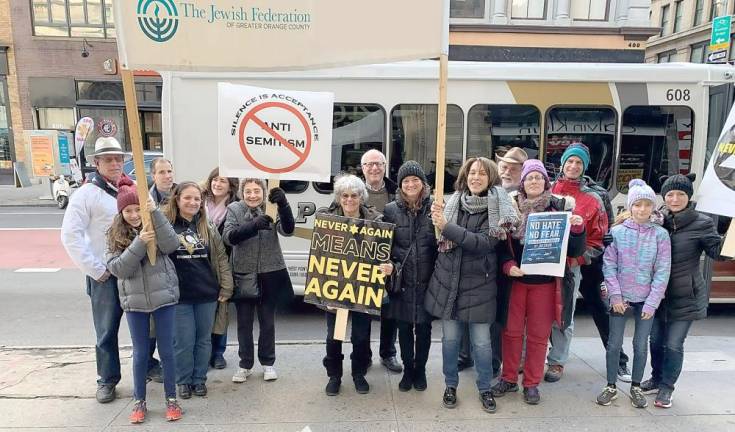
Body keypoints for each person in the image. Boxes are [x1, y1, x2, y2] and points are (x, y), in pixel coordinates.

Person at [424, 157, 519, 414]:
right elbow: (437, 241)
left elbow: (482, 244)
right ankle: (450, 384)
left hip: (480, 287)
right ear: (465, 177)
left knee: (482, 343)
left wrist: (446, 227)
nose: (476, 177)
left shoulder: (498, 208)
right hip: (449, 283)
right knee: (450, 340)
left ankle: (485, 387)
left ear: (491, 178)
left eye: (481, 173)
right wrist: (436, 220)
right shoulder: (452, 203)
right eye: (471, 173)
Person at [491, 160, 586, 405]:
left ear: (546, 182)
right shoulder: (510, 209)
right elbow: (501, 246)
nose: (534, 181)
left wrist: (577, 229)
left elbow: (574, 250)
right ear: (522, 182)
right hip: (516, 282)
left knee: (538, 336)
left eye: (539, 177)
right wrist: (508, 265)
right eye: (529, 177)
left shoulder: (560, 209)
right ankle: (509, 378)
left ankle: (532, 383)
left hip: (545, 284)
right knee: (510, 333)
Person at [640, 174, 728, 408]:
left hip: (685, 294)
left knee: (674, 344)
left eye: (680, 194)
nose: (675, 198)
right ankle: (656, 378)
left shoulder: (702, 223)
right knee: (655, 340)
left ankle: (667, 387)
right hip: (658, 294)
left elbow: (717, 252)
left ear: (689, 196)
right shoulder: (657, 220)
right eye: (670, 194)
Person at [546, 143, 630, 383]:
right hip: (551, 265)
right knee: (550, 312)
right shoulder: (548, 190)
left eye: (579, 163)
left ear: (585, 167)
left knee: (595, 311)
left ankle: (619, 361)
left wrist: (580, 257)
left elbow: (602, 235)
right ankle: (552, 357)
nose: (573, 166)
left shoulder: (596, 196)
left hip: (584, 265)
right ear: (562, 163)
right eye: (569, 161)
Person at [105, 177, 183, 423]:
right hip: (135, 302)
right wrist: (140, 243)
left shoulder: (154, 221)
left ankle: (172, 399)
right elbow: (118, 268)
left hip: (164, 297)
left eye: (138, 208)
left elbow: (171, 245)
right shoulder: (114, 235)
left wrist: (155, 213)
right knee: (140, 353)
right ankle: (140, 401)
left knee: (167, 350)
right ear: (121, 212)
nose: (134, 214)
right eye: (128, 210)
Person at [61, 137, 126, 403]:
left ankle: (147, 365)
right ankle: (107, 379)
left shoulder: (129, 188)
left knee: (146, 328)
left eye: (118, 159)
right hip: (105, 275)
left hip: (134, 271)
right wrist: (96, 270)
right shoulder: (85, 194)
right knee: (107, 331)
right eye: (108, 159)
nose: (114, 164)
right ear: (96, 163)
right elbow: (70, 236)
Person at [596, 179, 671, 409]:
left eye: (647, 205)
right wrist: (615, 297)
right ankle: (610, 386)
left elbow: (662, 270)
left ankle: (636, 386)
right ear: (630, 207)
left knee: (641, 344)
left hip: (646, 301)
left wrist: (652, 303)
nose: (642, 209)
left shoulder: (660, 235)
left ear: (653, 207)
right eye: (637, 205)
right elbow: (609, 266)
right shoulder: (617, 233)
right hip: (621, 299)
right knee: (614, 344)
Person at [163, 182, 233, 399]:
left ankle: (199, 379)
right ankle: (183, 381)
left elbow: (220, 256)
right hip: (179, 296)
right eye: (188, 198)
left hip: (206, 293)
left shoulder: (206, 225)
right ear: (177, 199)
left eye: (197, 199)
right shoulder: (166, 225)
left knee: (204, 340)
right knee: (183, 341)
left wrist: (227, 286)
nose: (193, 202)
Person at [224, 179, 295, 384]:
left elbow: (288, 230)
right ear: (241, 193)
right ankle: (245, 364)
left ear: (263, 193)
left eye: (257, 191)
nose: (253, 195)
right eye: (248, 191)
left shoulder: (271, 206)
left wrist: (284, 205)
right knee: (244, 323)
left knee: (267, 322)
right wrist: (253, 225)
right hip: (244, 273)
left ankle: (268, 362)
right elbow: (229, 237)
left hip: (270, 271)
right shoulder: (234, 209)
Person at [321, 174, 383, 396]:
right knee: (335, 336)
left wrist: (387, 267)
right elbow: (319, 257)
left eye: (354, 195)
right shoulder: (327, 221)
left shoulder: (376, 223)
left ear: (361, 197)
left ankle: (358, 374)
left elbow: (382, 256)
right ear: (339, 198)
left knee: (360, 336)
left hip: (363, 290)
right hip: (336, 291)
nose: (349, 200)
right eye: (345, 196)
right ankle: (334, 376)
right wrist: (324, 292)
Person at [381, 161, 437, 392]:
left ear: (423, 183)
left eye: (415, 180)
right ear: (401, 185)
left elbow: (440, 246)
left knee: (423, 330)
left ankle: (420, 370)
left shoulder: (435, 207)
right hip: (402, 282)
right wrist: (391, 266)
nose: (411, 184)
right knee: (404, 329)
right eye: (406, 181)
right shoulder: (390, 210)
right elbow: (387, 247)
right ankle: (408, 370)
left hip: (427, 281)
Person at [360, 149, 402, 373]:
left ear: (385, 166)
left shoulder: (397, 191)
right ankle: (363, 355)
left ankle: (388, 354)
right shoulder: (353, 192)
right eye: (369, 164)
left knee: (390, 312)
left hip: (390, 259)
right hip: (361, 260)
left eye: (379, 164)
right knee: (364, 311)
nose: (374, 168)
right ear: (362, 168)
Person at [201, 168, 239, 370]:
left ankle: (218, 353)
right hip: (200, 263)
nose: (217, 184)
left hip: (224, 262)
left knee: (222, 307)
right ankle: (204, 352)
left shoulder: (234, 207)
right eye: (214, 179)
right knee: (204, 310)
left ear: (230, 185)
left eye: (222, 181)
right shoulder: (199, 201)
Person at [146, 157, 176, 383]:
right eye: (162, 172)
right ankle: (149, 364)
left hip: (178, 262)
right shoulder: (145, 199)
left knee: (171, 324)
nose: (168, 176)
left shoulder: (180, 194)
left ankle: (172, 364)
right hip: (154, 266)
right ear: (153, 175)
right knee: (151, 326)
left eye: (170, 171)